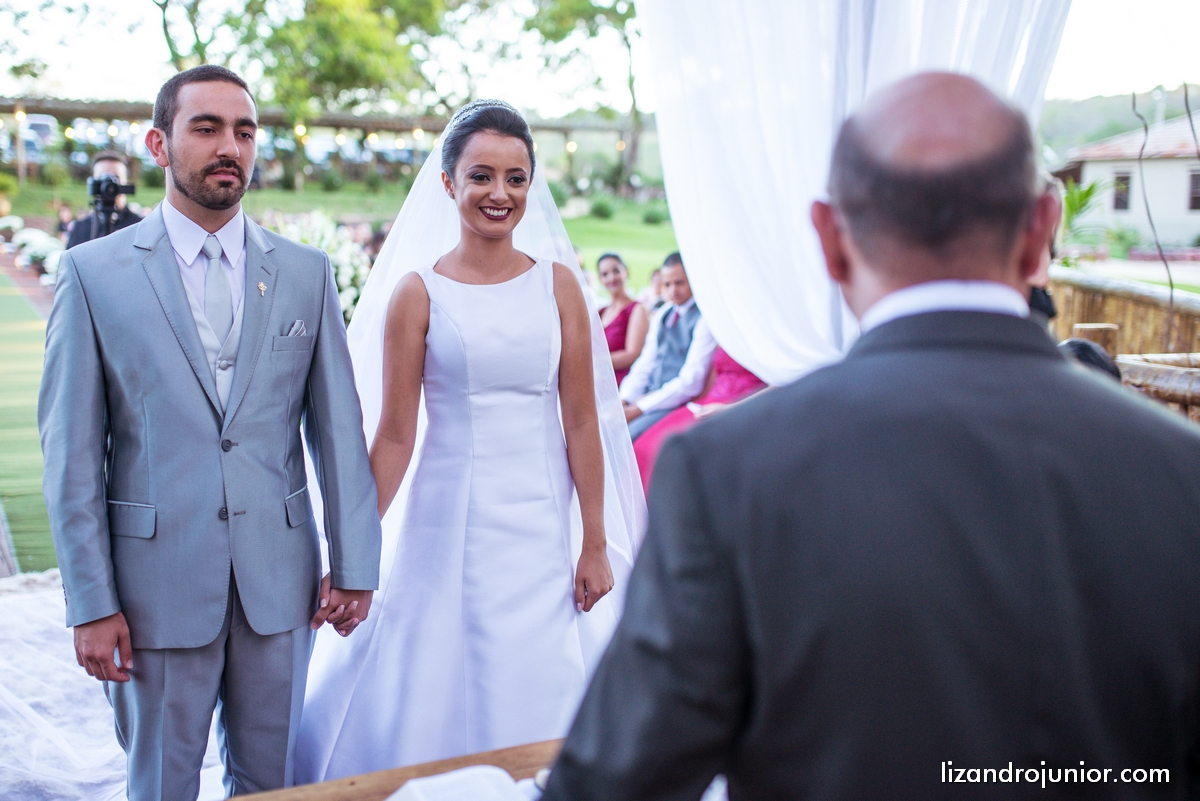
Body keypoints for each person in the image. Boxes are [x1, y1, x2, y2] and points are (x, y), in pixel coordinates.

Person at [542, 72, 1200, 800]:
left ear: (829, 239)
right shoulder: (1181, 470)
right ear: (1044, 228)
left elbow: (618, 779)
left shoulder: (729, 469)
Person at [38, 65, 381, 801]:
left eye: (244, 131)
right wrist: (91, 602)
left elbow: (339, 432)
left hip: (279, 585)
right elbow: (71, 459)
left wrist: (355, 562)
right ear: (159, 145)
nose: (230, 146)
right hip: (153, 589)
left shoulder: (305, 273)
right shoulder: (93, 275)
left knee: (272, 785)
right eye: (207, 128)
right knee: (162, 784)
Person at [295, 100, 645, 782]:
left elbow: (582, 420)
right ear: (448, 182)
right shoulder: (418, 293)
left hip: (544, 524)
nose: (499, 193)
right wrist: (354, 548)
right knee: (432, 664)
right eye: (481, 175)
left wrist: (595, 540)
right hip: (446, 518)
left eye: (516, 178)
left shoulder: (559, 287)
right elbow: (395, 436)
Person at [632, 346, 765, 494]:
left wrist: (728, 408)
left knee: (677, 457)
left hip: (744, 405)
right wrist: (693, 405)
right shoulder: (728, 336)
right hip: (709, 401)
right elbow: (711, 380)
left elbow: (779, 385)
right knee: (643, 446)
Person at [620, 254, 717, 440]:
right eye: (667, 284)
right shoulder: (663, 313)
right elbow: (646, 362)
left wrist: (640, 407)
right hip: (649, 395)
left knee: (629, 436)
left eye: (679, 283)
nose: (673, 290)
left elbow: (691, 381)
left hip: (675, 400)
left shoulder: (704, 318)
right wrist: (626, 399)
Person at [65, 151, 142, 248]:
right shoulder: (80, 228)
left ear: (126, 183)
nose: (109, 186)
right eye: (103, 179)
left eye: (115, 178)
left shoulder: (140, 227)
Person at [598, 252, 649, 386]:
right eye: (605, 274)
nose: (611, 278)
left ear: (626, 271)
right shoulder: (600, 312)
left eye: (616, 271)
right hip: (596, 378)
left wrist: (594, 362)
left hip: (620, 382)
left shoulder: (636, 309)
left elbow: (633, 354)